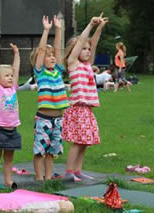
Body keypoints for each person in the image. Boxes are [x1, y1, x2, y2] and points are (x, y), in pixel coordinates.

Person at [62, 13, 108, 181]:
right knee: (78, 141)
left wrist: (100, 28)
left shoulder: (88, 65)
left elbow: (92, 43)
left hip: (87, 109)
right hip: (77, 108)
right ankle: (68, 172)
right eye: (84, 48)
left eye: (89, 49)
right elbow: (82, 41)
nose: (88, 51)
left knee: (85, 142)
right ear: (74, 51)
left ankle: (77, 171)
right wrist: (90, 25)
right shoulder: (73, 64)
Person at [30, 15, 69, 181]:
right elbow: (40, 51)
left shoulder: (58, 71)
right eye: (49, 55)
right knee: (40, 151)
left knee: (52, 152)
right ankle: (39, 179)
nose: (52, 57)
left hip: (58, 119)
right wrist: (46, 30)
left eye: (53, 55)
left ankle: (48, 178)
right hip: (44, 119)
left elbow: (59, 50)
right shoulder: (40, 72)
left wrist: (58, 29)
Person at [0, 43, 21, 189]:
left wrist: (17, 53)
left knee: (9, 158)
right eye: (6, 76)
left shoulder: (13, 88)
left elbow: (16, 69)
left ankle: (8, 181)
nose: (10, 78)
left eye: (11, 76)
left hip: (12, 130)